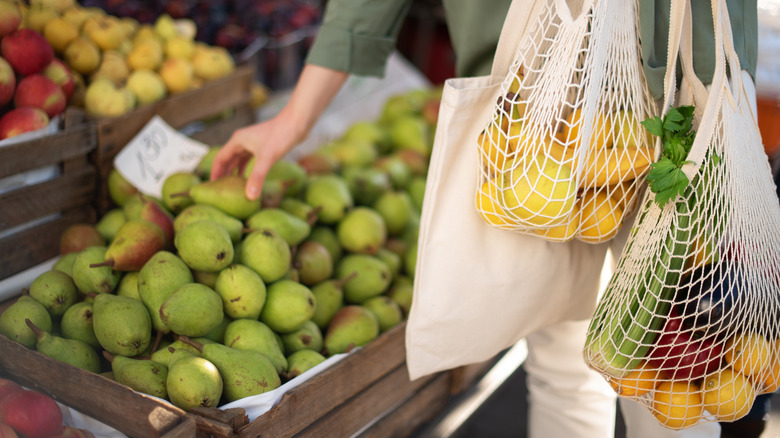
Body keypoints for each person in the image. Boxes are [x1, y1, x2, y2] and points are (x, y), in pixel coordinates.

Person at [210, 1, 760, 437]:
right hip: (540, 109)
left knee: (674, 376)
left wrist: (297, 117)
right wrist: (294, 117)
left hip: (668, 93)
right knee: (577, 363)